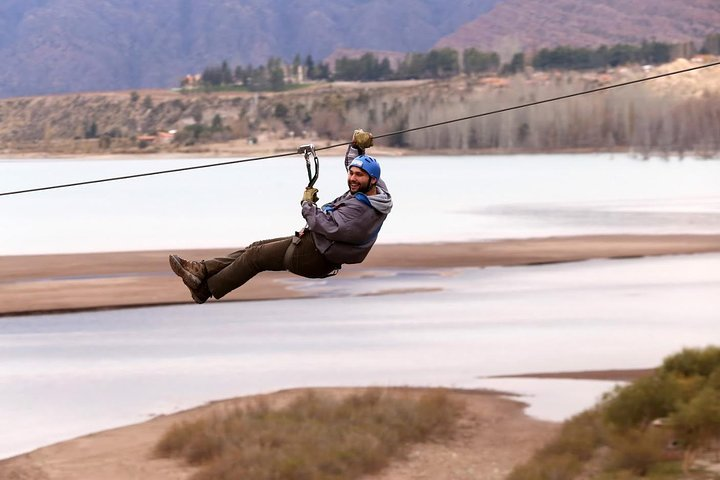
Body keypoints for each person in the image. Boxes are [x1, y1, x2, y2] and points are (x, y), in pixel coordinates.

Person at [169, 129, 392, 304]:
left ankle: (203, 289)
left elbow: (328, 226)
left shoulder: (362, 212)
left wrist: (307, 204)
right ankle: (202, 271)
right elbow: (353, 164)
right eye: (352, 173)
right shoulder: (378, 191)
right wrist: (356, 144)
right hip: (313, 245)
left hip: (314, 257)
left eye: (359, 175)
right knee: (254, 248)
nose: (353, 178)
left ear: (370, 180)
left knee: (255, 257)